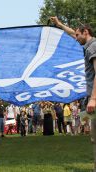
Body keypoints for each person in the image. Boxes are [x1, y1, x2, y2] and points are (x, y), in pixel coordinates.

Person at [50, 16, 96, 170]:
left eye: (78, 35)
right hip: (92, 96)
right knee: (93, 137)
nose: (75, 38)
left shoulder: (93, 47)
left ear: (85, 32)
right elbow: (71, 33)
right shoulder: (89, 45)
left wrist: (93, 99)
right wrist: (59, 24)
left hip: (95, 97)